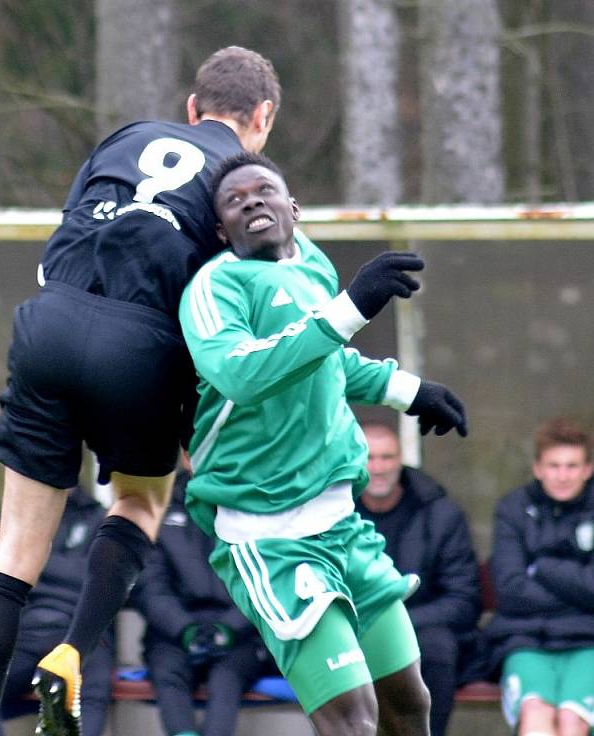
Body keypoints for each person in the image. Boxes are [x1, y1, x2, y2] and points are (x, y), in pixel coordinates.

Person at [0, 46, 284, 736]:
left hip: (48, 321)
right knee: (141, 500)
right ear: (262, 117)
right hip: (139, 341)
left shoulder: (130, 135)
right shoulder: (250, 179)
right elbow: (254, 292)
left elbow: (77, 224)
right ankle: (73, 653)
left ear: (192, 108)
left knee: (15, 550)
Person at [178, 151, 468, 736]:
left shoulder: (310, 263)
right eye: (235, 201)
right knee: (352, 720)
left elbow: (325, 360)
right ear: (219, 230)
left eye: (265, 190)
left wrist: (406, 389)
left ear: (294, 207)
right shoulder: (214, 287)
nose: (253, 202)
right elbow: (243, 374)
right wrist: (351, 308)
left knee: (409, 703)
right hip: (270, 537)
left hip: (343, 526)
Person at [355, 421, 482, 736]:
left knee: (436, 646)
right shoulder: (335, 513)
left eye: (387, 457)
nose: (379, 467)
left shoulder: (440, 514)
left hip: (425, 628)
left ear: (401, 460)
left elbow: (463, 599)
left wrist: (399, 622)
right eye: (369, 458)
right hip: (355, 626)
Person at [130, 461, 269, 736]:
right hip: (173, 633)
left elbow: (266, 579)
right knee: (168, 674)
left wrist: (230, 627)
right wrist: (184, 629)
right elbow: (149, 584)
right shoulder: (158, 504)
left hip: (239, 635)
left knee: (226, 679)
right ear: (183, 454)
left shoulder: (256, 502)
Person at [483, 418, 594, 736]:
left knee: (572, 721)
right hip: (525, 640)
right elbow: (511, 590)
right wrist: (578, 592)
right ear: (537, 468)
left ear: (588, 469)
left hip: (589, 642)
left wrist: (543, 569)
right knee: (535, 715)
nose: (562, 475)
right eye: (554, 465)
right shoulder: (513, 508)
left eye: (572, 466)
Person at [0, 486, 113, 736]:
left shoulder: (101, 519)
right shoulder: (2, 522)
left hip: (83, 628)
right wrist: (75, 571)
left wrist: (33, 564)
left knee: (92, 691)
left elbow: (105, 581)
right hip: (24, 629)